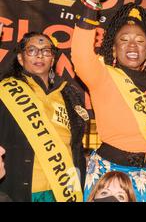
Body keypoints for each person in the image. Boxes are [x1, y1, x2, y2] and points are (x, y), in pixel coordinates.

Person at [71, 0, 146, 202]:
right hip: (111, 178)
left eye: (139, 41)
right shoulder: (103, 75)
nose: (132, 45)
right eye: (124, 40)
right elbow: (79, 53)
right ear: (114, 49)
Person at [0, 32, 86, 202]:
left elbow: (76, 145)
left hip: (64, 190)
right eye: (31, 50)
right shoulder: (5, 91)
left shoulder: (69, 94)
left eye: (46, 51)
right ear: (20, 58)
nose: (39, 55)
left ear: (52, 60)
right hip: (22, 191)